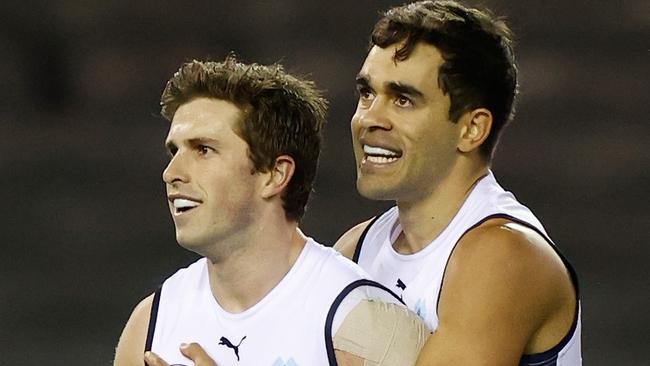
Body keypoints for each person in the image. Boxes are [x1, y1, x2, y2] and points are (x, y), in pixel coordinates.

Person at [113, 56, 428, 366]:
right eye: (174, 150)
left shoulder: (360, 322)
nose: (172, 172)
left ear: (274, 175)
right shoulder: (151, 325)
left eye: (203, 150)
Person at [334, 1, 582, 365]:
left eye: (403, 99)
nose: (369, 118)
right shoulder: (356, 247)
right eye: (367, 93)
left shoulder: (504, 255)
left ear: (471, 129)